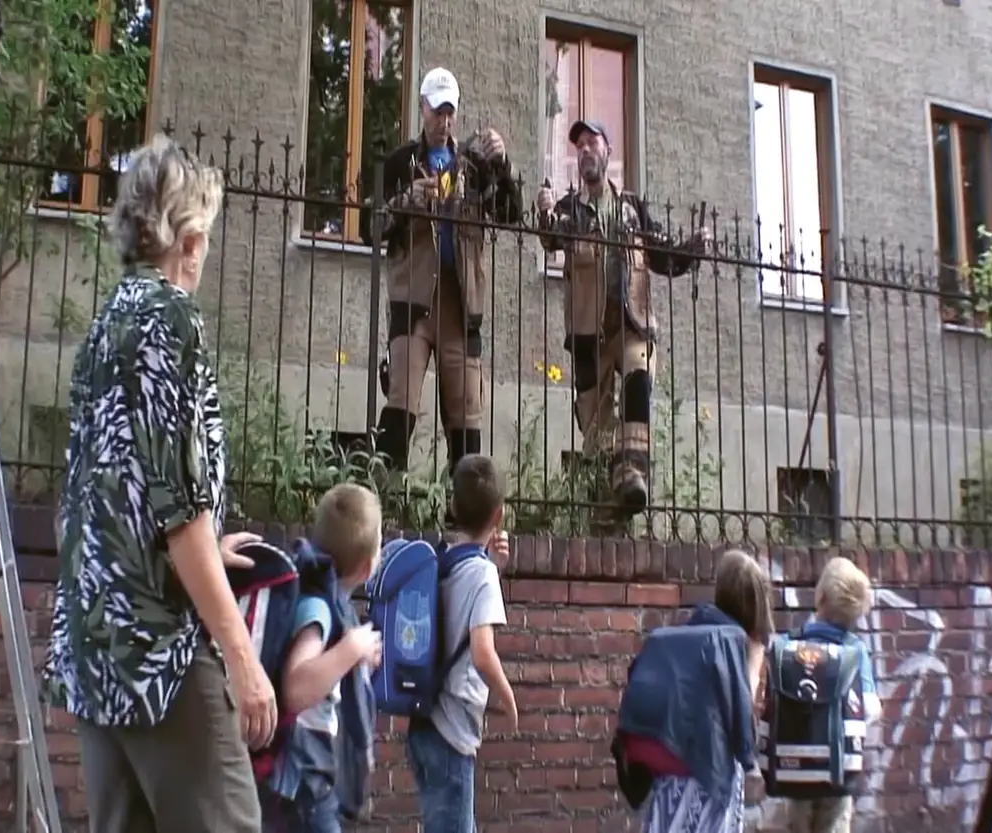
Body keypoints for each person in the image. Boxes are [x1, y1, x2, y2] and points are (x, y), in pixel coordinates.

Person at [41, 135, 274, 833]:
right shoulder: (172, 321)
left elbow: (115, 489)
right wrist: (242, 657)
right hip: (158, 657)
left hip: (93, 643)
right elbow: (176, 511)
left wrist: (202, 541)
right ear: (190, 237)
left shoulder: (107, 324)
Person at [536, 120, 710, 518]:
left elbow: (663, 256)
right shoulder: (570, 210)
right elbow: (551, 238)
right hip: (589, 332)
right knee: (595, 425)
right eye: (578, 145)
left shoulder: (632, 208)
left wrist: (692, 250)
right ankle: (604, 507)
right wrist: (544, 214)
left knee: (637, 379)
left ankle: (634, 475)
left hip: (633, 322)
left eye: (591, 142)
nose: (584, 150)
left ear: (607, 151)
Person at [367, 68, 523, 479]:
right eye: (437, 111)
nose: (445, 120)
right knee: (401, 400)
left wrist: (503, 166)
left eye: (450, 111)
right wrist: (406, 201)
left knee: (466, 415)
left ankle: (463, 515)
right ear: (422, 109)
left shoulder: (473, 166)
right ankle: (383, 500)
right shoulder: (402, 160)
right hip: (414, 301)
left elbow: (510, 216)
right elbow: (374, 228)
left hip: (460, 302)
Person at [613, 549, 773, 833]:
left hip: (666, 771)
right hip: (707, 775)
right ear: (758, 601)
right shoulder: (732, 641)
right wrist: (755, 660)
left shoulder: (690, 629)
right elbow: (742, 726)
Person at [259, 483, 385, 833]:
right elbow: (297, 687)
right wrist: (352, 650)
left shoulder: (332, 603)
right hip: (303, 788)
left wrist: (356, 658)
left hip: (304, 784)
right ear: (367, 566)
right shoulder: (317, 605)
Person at [407, 454, 518, 833]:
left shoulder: (442, 559)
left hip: (423, 724)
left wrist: (494, 567)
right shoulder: (482, 574)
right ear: (499, 514)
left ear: (452, 506)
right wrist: (508, 698)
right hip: (452, 731)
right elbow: (483, 653)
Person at [782, 556, 881, 833]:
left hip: (795, 765)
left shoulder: (790, 643)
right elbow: (872, 708)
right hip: (839, 769)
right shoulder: (856, 650)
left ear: (821, 595)